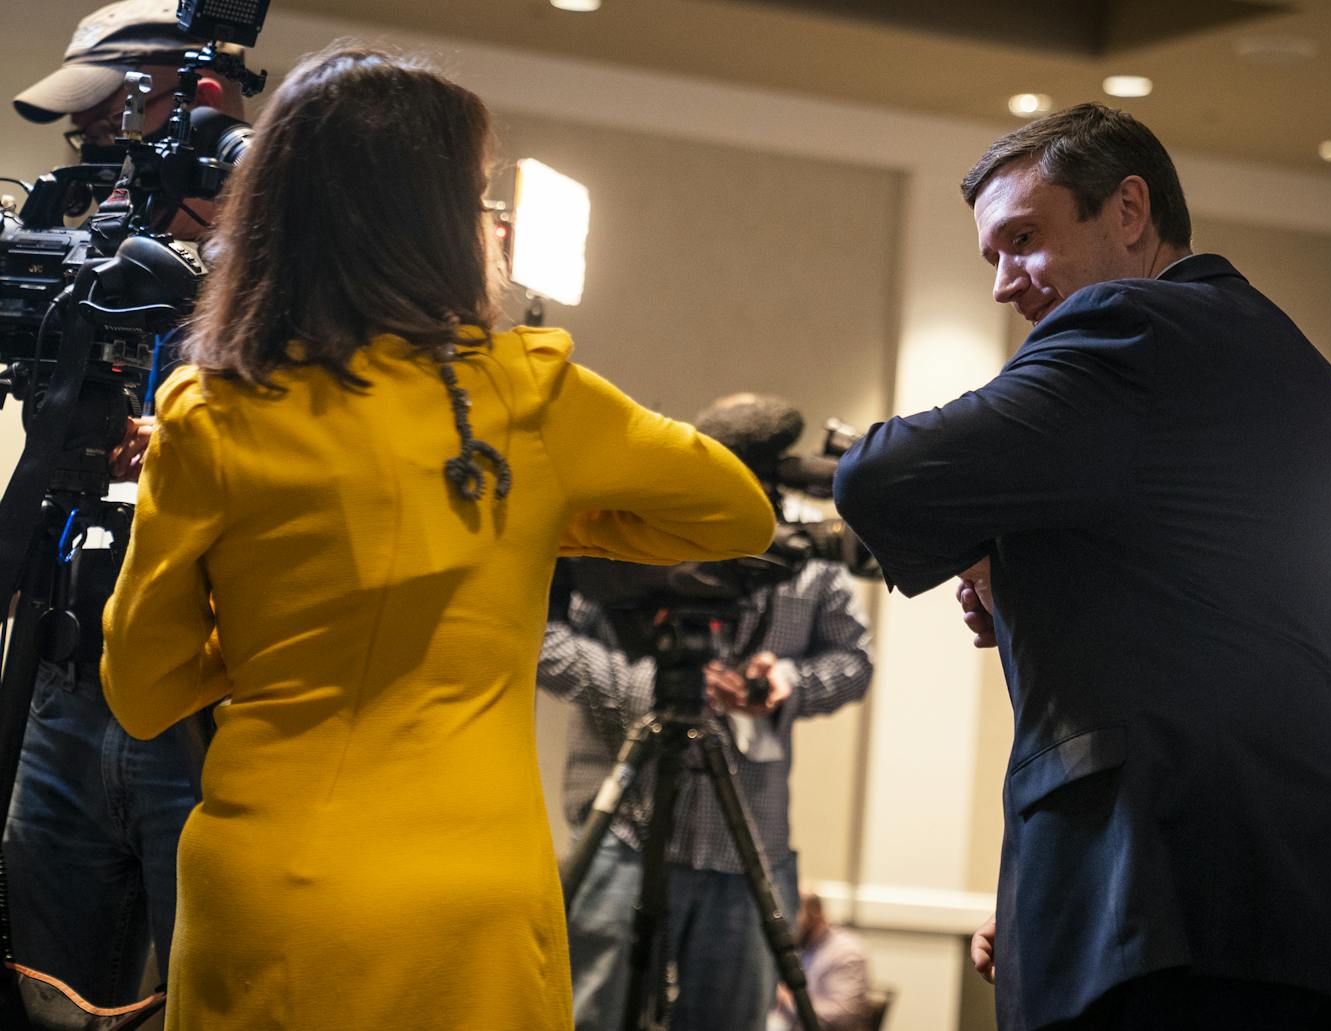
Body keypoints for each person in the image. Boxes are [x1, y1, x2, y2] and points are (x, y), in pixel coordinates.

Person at [99, 43, 776, 1031]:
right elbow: (734, 513)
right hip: (471, 892)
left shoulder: (210, 414)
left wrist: (263, 637)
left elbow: (142, 687)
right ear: (440, 224)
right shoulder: (531, 397)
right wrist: (525, 519)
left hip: (273, 886)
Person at [833, 102, 1331, 1030]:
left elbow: (882, 478)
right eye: (990, 255)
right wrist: (1020, 567)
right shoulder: (1300, 372)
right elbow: (1199, 604)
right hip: (1314, 907)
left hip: (1162, 902)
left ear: (1129, 209)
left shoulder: (1130, 326)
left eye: (1022, 239)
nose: (1003, 283)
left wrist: (992, 548)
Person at [2, 0, 241, 1006]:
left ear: (200, 101)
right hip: (63, 674)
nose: (90, 139)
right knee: (49, 987)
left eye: (111, 113)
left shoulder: (287, 281)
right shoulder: (90, 262)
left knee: (209, 998)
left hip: (205, 705)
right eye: (82, 122)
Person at [539, 393, 873, 1031]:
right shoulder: (635, 542)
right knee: (588, 1015)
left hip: (746, 843)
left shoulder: (804, 561)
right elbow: (543, 640)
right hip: (626, 839)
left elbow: (856, 662)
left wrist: (788, 682)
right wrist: (648, 687)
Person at [769, 890, 873, 1031]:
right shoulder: (803, 945)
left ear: (814, 914)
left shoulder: (847, 952)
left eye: (794, 913)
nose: (789, 925)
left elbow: (841, 1015)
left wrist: (789, 1000)